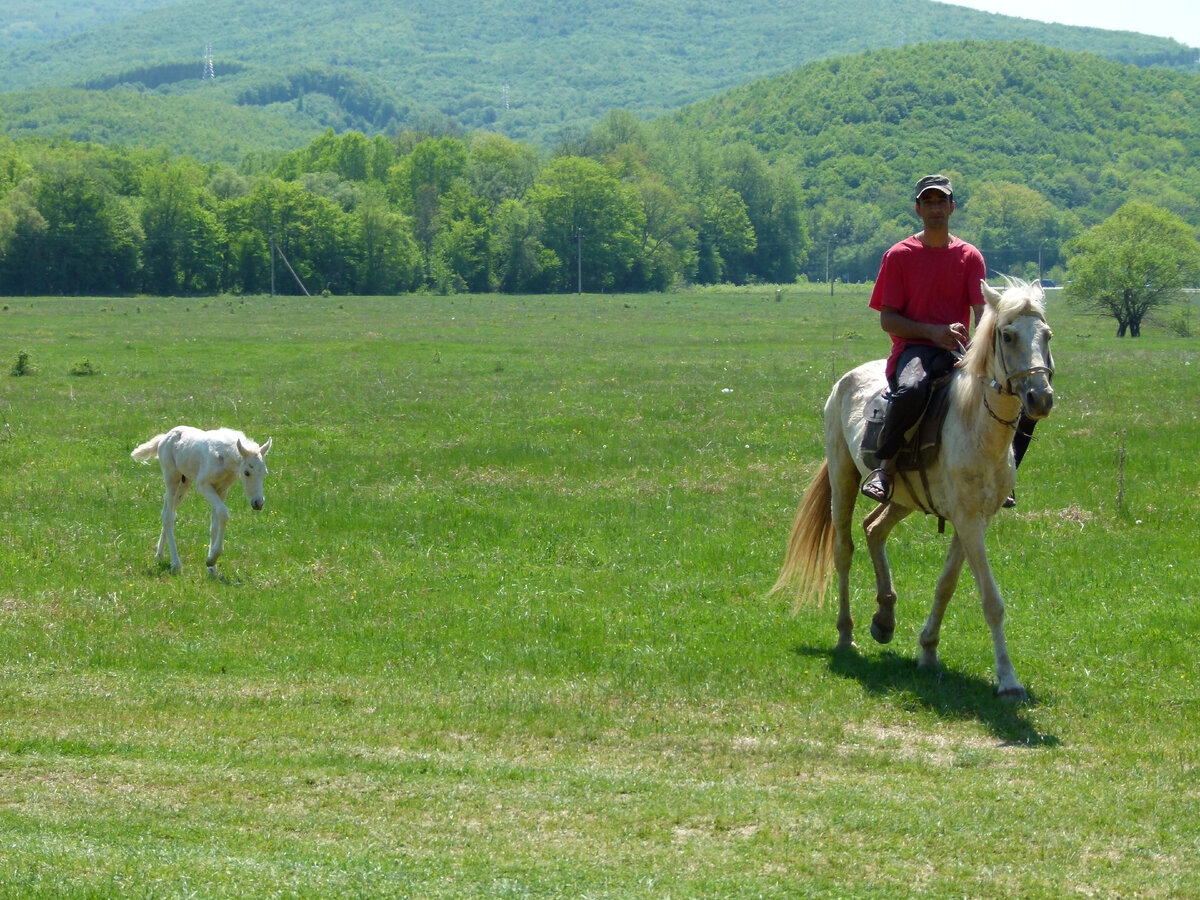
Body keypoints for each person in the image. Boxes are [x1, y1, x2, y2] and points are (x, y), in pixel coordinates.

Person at [860, 174, 986, 504]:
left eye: (941, 201)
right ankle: (885, 468)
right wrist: (933, 332)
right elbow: (888, 319)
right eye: (927, 202)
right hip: (913, 350)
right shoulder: (899, 256)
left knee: (1011, 395)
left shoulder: (969, 256)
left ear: (952, 207)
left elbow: (983, 313)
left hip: (957, 351)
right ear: (917, 209)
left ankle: (1001, 475)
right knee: (913, 390)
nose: (935, 208)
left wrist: (979, 351)